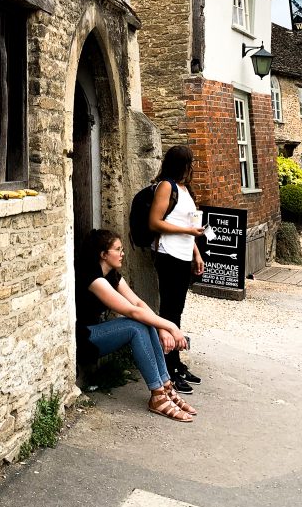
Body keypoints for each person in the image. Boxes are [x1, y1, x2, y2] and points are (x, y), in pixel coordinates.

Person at [75, 228, 197, 422]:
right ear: (103, 254)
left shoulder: (112, 275)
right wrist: (172, 327)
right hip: (85, 339)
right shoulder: (93, 278)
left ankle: (165, 387)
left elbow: (138, 304)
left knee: (144, 322)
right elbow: (131, 312)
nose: (123, 253)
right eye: (118, 249)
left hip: (97, 333)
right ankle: (158, 396)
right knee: (135, 326)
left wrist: (161, 328)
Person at [149, 144, 205, 394]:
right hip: (168, 254)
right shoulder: (166, 186)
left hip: (183, 254)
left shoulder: (185, 190)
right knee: (169, 311)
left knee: (177, 311)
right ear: (181, 164)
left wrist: (196, 253)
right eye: (189, 162)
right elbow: (155, 222)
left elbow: (189, 224)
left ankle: (175, 363)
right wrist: (187, 232)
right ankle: (167, 368)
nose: (192, 167)